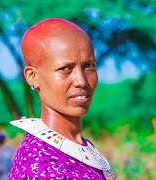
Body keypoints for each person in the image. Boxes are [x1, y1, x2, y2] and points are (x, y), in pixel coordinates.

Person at [8, 18, 115, 180]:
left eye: (89, 66)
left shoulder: (77, 147)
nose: (81, 81)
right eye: (65, 69)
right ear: (33, 77)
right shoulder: (39, 165)